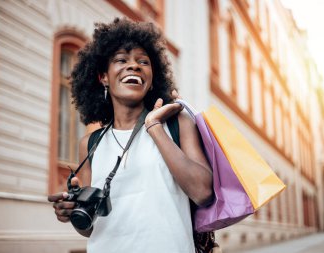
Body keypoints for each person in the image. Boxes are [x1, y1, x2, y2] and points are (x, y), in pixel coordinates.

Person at [47, 18, 213, 253]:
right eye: (121, 60)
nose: (133, 66)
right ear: (103, 77)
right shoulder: (91, 145)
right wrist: (72, 213)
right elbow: (92, 228)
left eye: (143, 61)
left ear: (152, 77)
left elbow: (203, 192)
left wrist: (154, 127)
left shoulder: (176, 123)